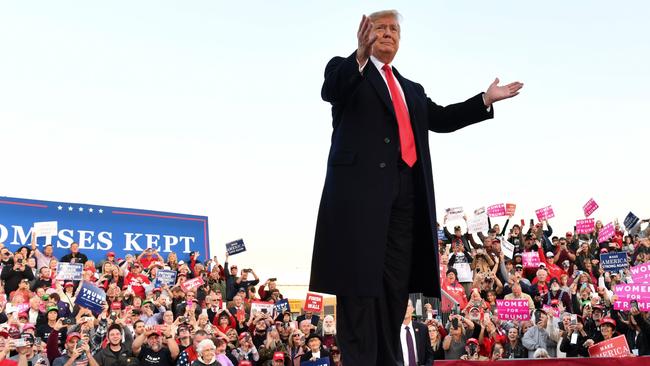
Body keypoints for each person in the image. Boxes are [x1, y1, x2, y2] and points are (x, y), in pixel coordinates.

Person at [308, 9, 522, 365]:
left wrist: (484, 99)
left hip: (406, 193)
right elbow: (331, 91)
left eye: (394, 29)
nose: (388, 33)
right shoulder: (347, 70)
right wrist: (359, 55)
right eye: (380, 28)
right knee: (359, 286)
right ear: (365, 33)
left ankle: (389, 358)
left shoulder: (411, 89)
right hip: (360, 199)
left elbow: (441, 118)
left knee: (394, 287)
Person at [398, 300, 434, 365]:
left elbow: (429, 354)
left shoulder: (422, 328)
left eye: (407, 306)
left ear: (413, 309)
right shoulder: (392, 331)